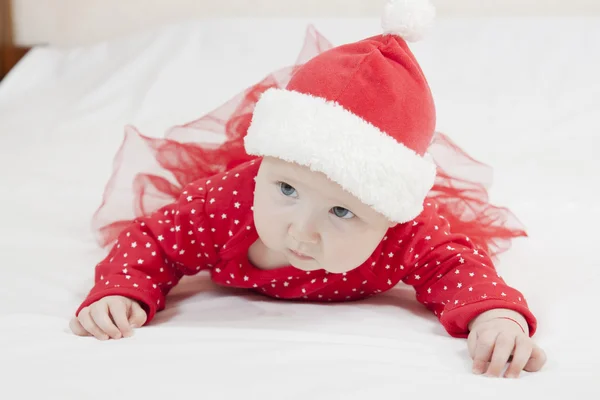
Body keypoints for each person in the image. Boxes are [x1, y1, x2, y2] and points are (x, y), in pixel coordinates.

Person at [69, 0, 547, 378]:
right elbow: (155, 239)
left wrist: (495, 319)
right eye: (286, 189)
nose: (301, 229)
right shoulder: (229, 202)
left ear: (388, 212)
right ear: (265, 166)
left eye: (341, 212)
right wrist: (123, 291)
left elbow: (455, 264)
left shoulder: (404, 230)